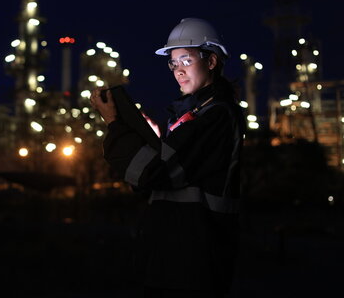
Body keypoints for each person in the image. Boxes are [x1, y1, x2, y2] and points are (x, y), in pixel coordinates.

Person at [90, 18, 244, 298]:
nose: (178, 71)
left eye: (186, 60)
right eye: (173, 64)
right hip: (175, 259)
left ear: (211, 62)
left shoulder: (216, 116)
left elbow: (153, 173)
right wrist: (155, 137)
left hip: (194, 263)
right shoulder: (193, 116)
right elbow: (165, 174)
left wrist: (115, 123)